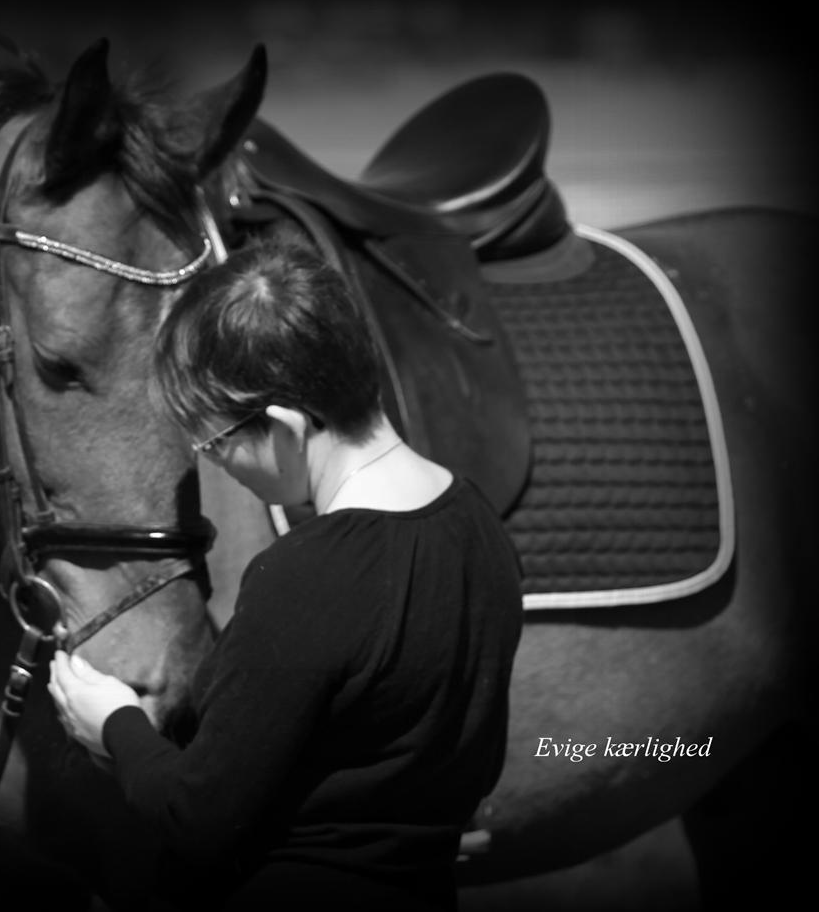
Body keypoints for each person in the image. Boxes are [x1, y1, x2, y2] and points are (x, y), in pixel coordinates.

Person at [48, 238, 523, 911]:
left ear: (282, 427)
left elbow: (196, 816)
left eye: (215, 442)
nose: (216, 464)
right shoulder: (482, 527)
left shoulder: (303, 576)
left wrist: (116, 726)